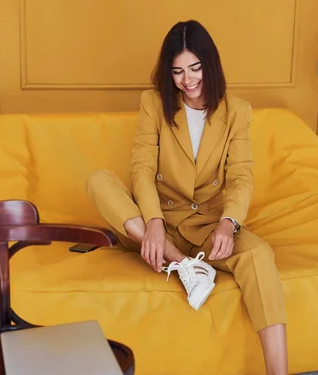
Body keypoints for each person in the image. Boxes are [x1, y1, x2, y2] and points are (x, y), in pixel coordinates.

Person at [86, 20, 288, 375]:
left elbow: (241, 175)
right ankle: (184, 265)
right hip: (152, 226)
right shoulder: (153, 103)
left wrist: (228, 223)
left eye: (195, 68)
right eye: (177, 71)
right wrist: (153, 224)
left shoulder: (237, 111)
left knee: (259, 254)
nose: (188, 79)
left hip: (207, 226)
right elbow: (142, 169)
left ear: (210, 64)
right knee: (99, 180)